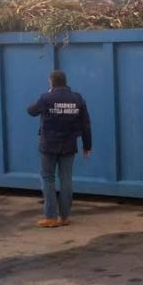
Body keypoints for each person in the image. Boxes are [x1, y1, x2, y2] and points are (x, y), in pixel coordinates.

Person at [27, 70, 92, 228]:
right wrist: (87, 145)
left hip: (49, 145)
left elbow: (31, 111)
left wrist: (46, 96)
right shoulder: (77, 98)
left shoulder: (46, 97)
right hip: (69, 145)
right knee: (66, 179)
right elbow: (85, 124)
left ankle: (50, 217)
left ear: (51, 82)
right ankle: (64, 217)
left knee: (48, 178)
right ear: (65, 81)